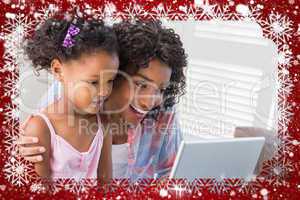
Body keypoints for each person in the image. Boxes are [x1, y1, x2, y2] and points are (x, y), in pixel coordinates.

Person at [19, 20, 188, 180]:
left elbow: (177, 171)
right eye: (141, 84)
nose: (149, 102)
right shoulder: (71, 94)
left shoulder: (163, 113)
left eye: (161, 89)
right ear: (115, 71)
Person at [21, 16, 119, 180]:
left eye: (110, 81)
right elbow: (39, 190)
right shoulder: (40, 128)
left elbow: (106, 184)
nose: (104, 91)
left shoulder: (104, 124)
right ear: (58, 71)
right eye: (93, 82)